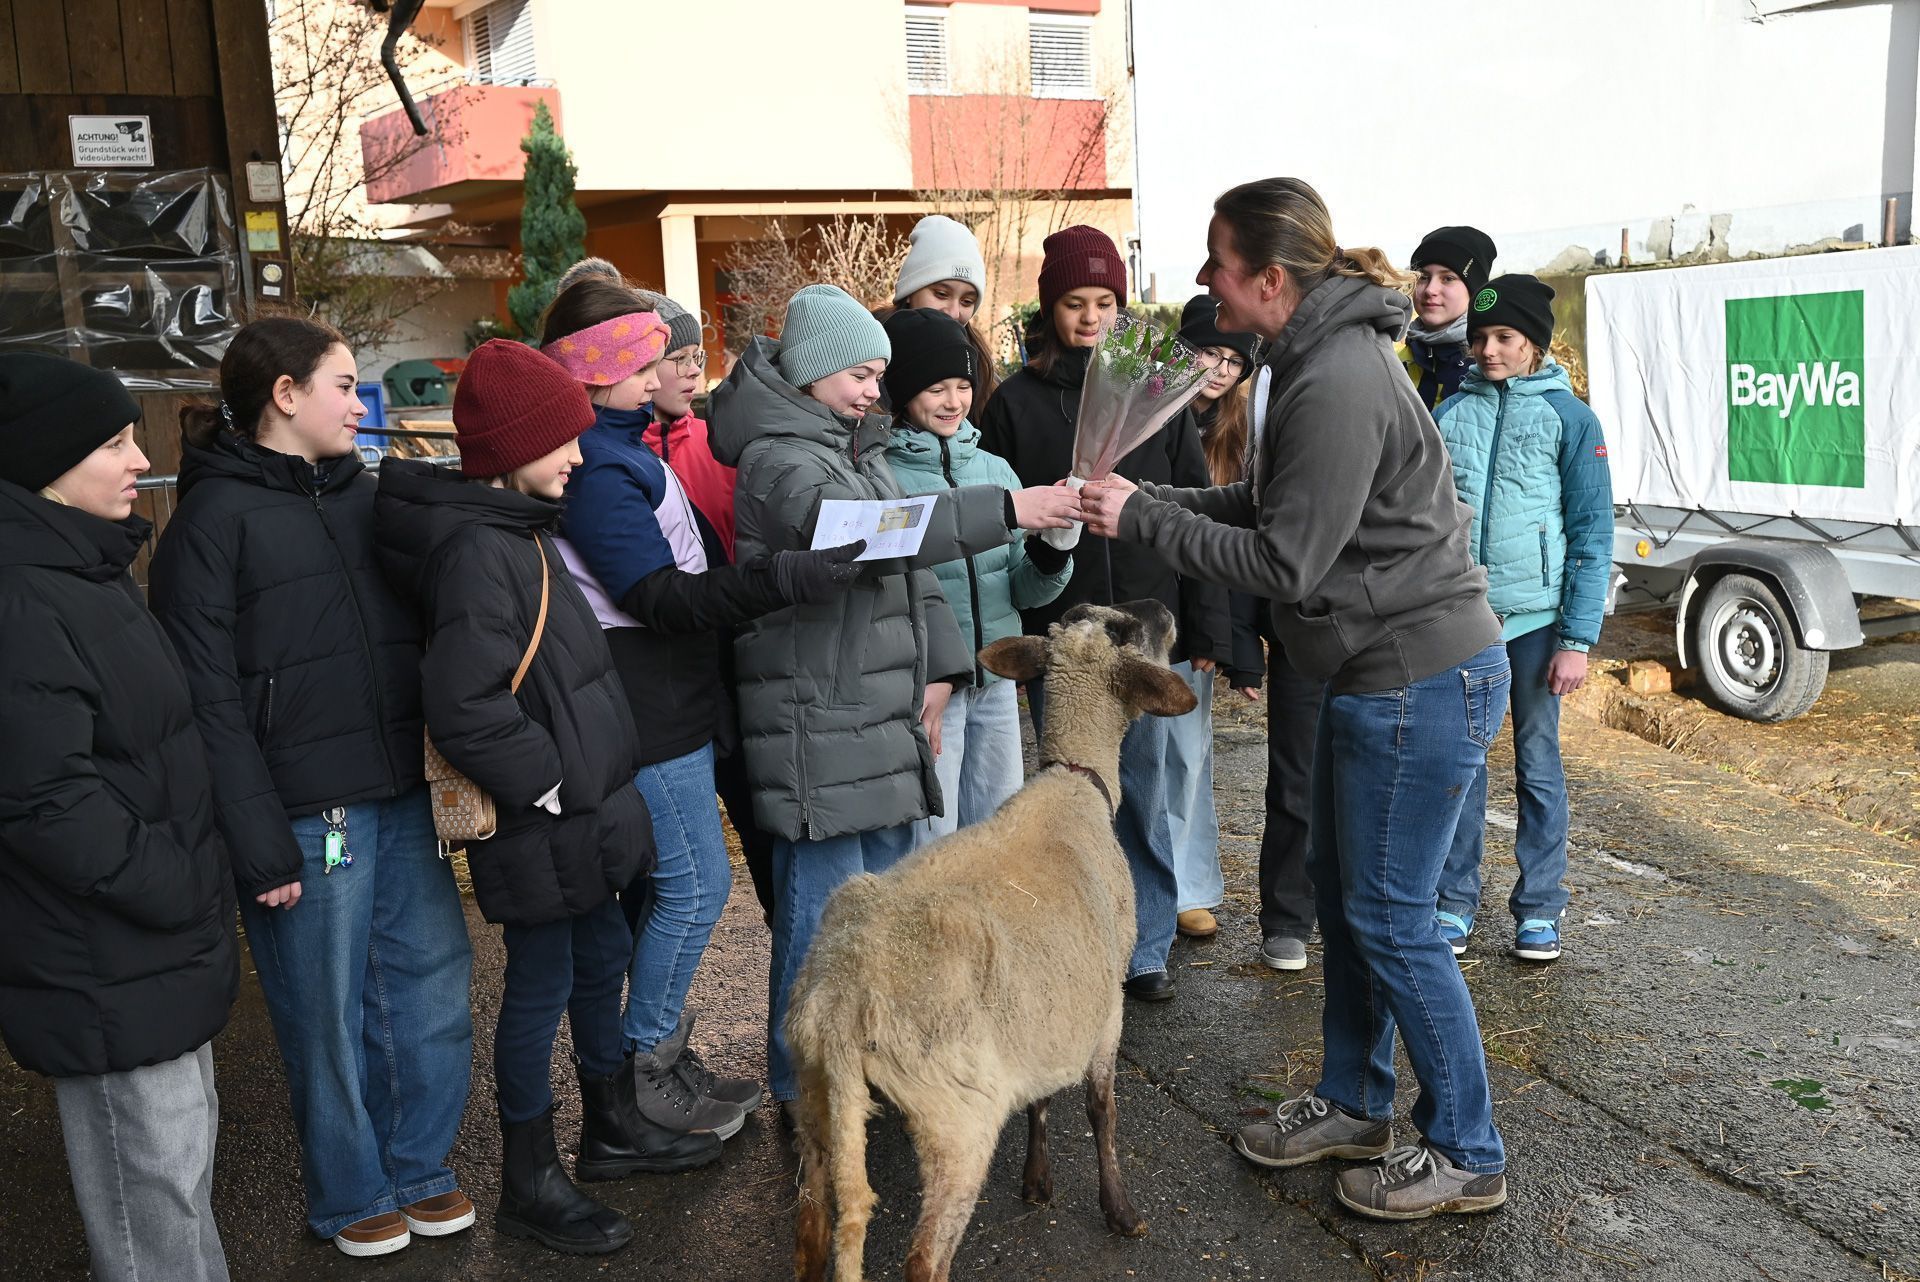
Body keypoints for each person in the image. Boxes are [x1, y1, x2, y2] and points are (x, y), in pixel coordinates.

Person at [1080, 177, 1513, 1219]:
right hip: (1371, 674)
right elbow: (1269, 502)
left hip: (1415, 674)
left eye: (1218, 261)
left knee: (1396, 920)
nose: (1202, 278)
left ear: (1270, 279)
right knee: (1350, 901)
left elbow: (1288, 558)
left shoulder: (1337, 375)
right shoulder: (1302, 360)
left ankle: (1467, 1148)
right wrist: (1153, 499)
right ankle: (1356, 1101)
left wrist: (1143, 518)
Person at [376, 340, 719, 1257]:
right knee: (538, 989)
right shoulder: (480, 554)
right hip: (545, 823)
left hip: (577, 821)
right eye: (559, 440)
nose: (577, 455)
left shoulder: (517, 529)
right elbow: (463, 702)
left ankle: (609, 1129)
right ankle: (530, 1176)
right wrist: (554, 783)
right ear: (507, 447)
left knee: (602, 951)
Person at [707, 283, 1080, 1111]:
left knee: (878, 909)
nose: (876, 389)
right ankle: (805, 1083)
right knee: (821, 914)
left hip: (876, 709)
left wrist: (945, 670)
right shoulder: (781, 459)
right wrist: (1009, 508)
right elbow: (872, 537)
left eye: (880, 374)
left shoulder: (852, 446)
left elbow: (913, 580)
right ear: (812, 370)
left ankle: (866, 1061)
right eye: (860, 374)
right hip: (820, 715)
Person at [148, 318, 474, 1259]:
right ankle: (351, 1191)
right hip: (305, 811)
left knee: (432, 983)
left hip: (401, 789)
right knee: (322, 1010)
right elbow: (203, 700)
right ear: (284, 396)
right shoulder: (211, 526)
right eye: (339, 384)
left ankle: (422, 1168)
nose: (356, 402)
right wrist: (255, 840)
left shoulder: (370, 497)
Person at [540, 278, 865, 1140]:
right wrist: (773, 579)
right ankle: (644, 1062)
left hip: (676, 700)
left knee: (687, 885)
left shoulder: (623, 448)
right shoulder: (601, 466)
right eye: (643, 358)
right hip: (649, 709)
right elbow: (657, 596)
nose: (659, 373)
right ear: (600, 365)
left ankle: (661, 1055)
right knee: (692, 886)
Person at [0, 355, 238, 1282]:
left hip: (145, 945)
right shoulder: (24, 597)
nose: (140, 459)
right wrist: (176, 882)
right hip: (105, 952)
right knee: (154, 1217)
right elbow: (44, 800)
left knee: (174, 1187)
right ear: (44, 465)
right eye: (113, 442)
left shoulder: (84, 569)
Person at [978, 225, 1232, 1002]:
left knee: (1149, 787)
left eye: (1105, 302)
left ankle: (1146, 941)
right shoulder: (1017, 402)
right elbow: (999, 516)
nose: (1090, 317)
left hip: (1147, 628)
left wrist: (1212, 629)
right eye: (1074, 302)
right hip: (1067, 629)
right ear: (1050, 307)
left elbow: (1204, 514)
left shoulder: (1158, 396)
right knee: (1072, 790)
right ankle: (1077, 934)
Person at [1432, 274, 1612, 963]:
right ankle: (1454, 902)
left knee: (1537, 764)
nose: (1489, 350)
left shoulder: (1572, 419)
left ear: (1534, 342)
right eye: (1479, 338)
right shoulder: (1450, 414)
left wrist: (1577, 639)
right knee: (1461, 765)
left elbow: (1593, 532)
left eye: (1504, 337)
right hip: (1463, 618)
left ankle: (1539, 909)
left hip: (1536, 623)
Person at [881, 306, 1073, 842]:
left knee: (999, 826)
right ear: (900, 390)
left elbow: (1020, 589)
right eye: (935, 386)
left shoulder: (995, 470)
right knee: (932, 834)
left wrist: (1054, 551)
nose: (952, 401)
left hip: (995, 679)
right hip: (931, 683)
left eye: (962, 385)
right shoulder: (884, 477)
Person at [1166, 294, 1260, 943]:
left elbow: (1242, 544)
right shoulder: (1150, 417)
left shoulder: (1240, 432)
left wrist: (1227, 638)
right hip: (1149, 599)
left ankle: (1190, 886)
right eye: (1210, 353)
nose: (1221, 369)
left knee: (1187, 755)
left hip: (1203, 609)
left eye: (1233, 359)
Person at [888, 213, 1001, 403]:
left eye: (967, 302)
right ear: (909, 291)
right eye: (941, 294)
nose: (953, 312)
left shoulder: (984, 371)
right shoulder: (868, 359)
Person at [1399, 226, 1497, 412]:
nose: (1430, 290)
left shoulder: (1494, 367)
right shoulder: (1395, 364)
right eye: (1423, 277)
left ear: (1474, 291)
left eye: (1448, 278)